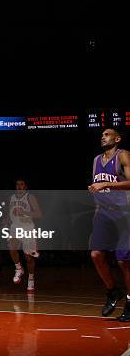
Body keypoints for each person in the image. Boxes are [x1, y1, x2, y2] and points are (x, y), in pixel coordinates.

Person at [88, 128, 130, 321]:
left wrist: (105, 185)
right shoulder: (96, 161)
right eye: (102, 135)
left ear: (117, 138)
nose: (103, 136)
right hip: (103, 214)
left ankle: (129, 302)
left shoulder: (123, 156)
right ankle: (112, 291)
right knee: (96, 254)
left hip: (124, 215)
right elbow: (99, 188)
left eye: (107, 134)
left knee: (124, 262)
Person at [6, 178, 42, 292]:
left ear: (25, 186)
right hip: (15, 227)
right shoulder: (11, 198)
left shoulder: (30, 197)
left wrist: (25, 213)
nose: (19, 186)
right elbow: (10, 213)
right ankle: (18, 268)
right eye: (17, 184)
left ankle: (31, 279)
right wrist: (6, 221)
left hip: (27, 228)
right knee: (11, 247)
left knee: (29, 257)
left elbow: (38, 213)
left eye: (21, 184)